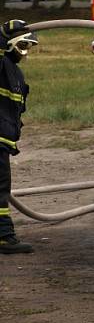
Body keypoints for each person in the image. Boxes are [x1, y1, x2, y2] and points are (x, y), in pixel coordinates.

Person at [0, 21, 37, 254]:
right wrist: (3, 33)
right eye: (21, 45)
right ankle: (4, 236)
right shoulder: (2, 64)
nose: (24, 52)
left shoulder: (14, 71)